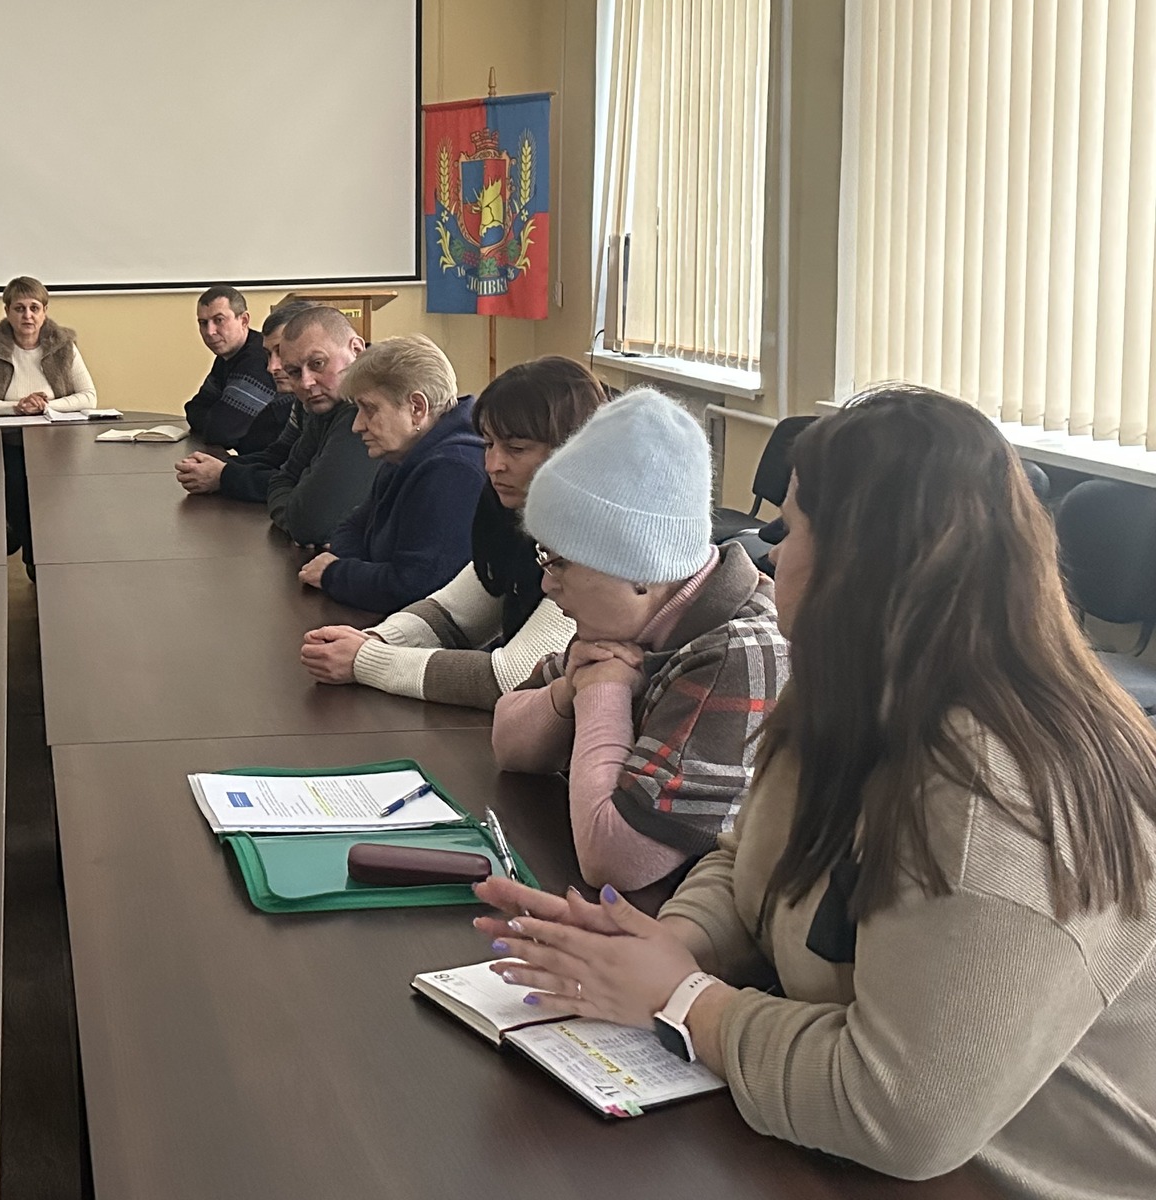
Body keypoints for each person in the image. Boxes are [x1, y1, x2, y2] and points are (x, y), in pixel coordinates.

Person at [476, 389, 1156, 1195]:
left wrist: (685, 999)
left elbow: (899, 1112)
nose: (768, 558)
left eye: (791, 531)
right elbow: (749, 855)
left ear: (858, 562)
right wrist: (672, 942)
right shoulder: (848, 681)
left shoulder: (996, 794)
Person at [488, 387, 788, 890]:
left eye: (560, 563)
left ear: (641, 569)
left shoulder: (737, 655)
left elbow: (615, 861)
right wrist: (569, 689)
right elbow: (508, 743)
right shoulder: (632, 616)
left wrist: (602, 692)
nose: (547, 583)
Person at [300, 356, 605, 705]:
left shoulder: (599, 542)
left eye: (516, 449)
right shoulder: (509, 508)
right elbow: (452, 614)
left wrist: (365, 660)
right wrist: (372, 640)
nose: (493, 464)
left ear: (570, 450)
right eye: (489, 444)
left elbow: (514, 677)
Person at [296, 335, 484, 613]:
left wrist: (335, 573)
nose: (357, 426)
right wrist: (367, 571)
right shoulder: (403, 453)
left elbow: (415, 588)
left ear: (417, 408)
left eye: (369, 409)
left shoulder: (455, 470)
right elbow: (350, 528)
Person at [259, 305, 377, 545]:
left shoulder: (365, 413)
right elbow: (281, 480)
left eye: (317, 363)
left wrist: (296, 513)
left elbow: (311, 525)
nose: (306, 382)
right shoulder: (322, 408)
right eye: (294, 372)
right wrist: (295, 512)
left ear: (356, 350)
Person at [176, 302, 306, 501]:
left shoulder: (343, 408)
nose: (271, 367)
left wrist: (223, 476)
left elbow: (304, 485)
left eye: (219, 320)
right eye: (268, 354)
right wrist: (220, 468)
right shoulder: (305, 404)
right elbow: (277, 455)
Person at [0, 276, 97, 416]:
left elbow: (89, 397)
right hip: (5, 429)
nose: (27, 315)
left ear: (44, 311)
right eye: (19, 309)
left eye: (34, 308)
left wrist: (45, 406)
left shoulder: (63, 346)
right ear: (7, 311)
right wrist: (17, 407)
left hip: (56, 427)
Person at [182, 285, 289, 454]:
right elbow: (193, 408)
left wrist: (213, 419)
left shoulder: (258, 360)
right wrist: (213, 420)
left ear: (244, 321)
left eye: (219, 320)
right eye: (203, 323)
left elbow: (220, 432)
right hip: (255, 459)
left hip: (275, 463)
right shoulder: (226, 357)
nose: (210, 332)